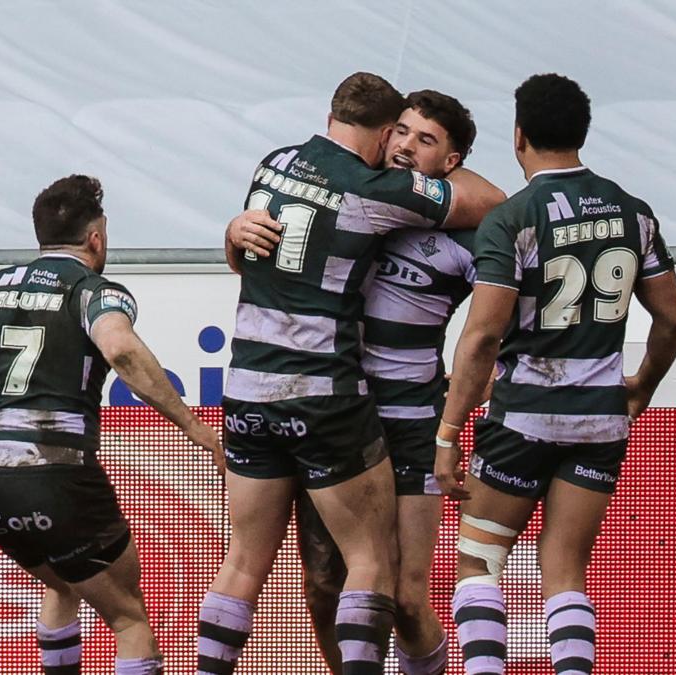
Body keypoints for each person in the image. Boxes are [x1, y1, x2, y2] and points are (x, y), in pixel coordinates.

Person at [201, 73, 504, 675]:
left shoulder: (457, 231)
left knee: (408, 599)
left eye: (425, 140)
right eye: (403, 133)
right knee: (323, 583)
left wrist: (483, 381)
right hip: (337, 409)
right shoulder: (374, 189)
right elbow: (273, 259)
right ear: (386, 131)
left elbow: (503, 273)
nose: (407, 147)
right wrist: (233, 234)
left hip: (403, 418)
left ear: (451, 157)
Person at [0, 175, 223, 675]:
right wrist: (191, 425)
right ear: (96, 237)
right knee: (128, 616)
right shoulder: (94, 290)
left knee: (62, 584)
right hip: (58, 476)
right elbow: (119, 348)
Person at [435, 73, 676, 674]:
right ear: (584, 133)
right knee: (566, 572)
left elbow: (483, 336)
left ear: (518, 135)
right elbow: (673, 319)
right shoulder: (632, 211)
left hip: (524, 414)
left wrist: (447, 434)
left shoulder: (514, 218)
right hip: (600, 416)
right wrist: (642, 387)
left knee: (478, 562)